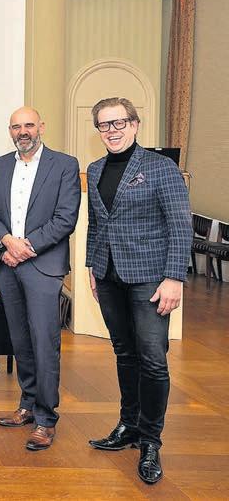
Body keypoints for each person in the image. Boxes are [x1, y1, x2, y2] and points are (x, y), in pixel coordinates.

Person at [85, 97, 191, 485]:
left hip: (151, 278)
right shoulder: (95, 169)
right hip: (108, 275)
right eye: (104, 125)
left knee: (152, 359)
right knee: (124, 353)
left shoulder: (161, 167)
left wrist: (174, 278)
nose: (111, 131)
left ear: (134, 124)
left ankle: (150, 441)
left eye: (118, 123)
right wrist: (92, 267)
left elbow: (180, 224)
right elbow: (96, 224)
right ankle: (128, 425)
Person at [0, 106, 81, 450]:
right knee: (20, 339)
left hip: (42, 265)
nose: (22, 131)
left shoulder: (64, 165)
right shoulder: (0, 164)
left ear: (41, 127)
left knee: (44, 341)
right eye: (16, 127)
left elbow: (65, 218)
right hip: (7, 263)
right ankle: (27, 403)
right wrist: (7, 242)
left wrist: (26, 247)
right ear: (10, 131)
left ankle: (46, 418)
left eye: (28, 125)